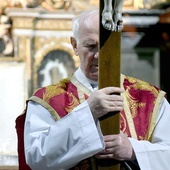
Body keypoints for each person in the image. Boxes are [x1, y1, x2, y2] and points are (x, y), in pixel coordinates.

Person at [15, 9, 170, 170]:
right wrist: (88, 111)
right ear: (75, 46)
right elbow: (36, 157)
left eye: (105, 47)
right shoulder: (47, 100)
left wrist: (132, 150)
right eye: (90, 46)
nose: (98, 55)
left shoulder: (149, 97)